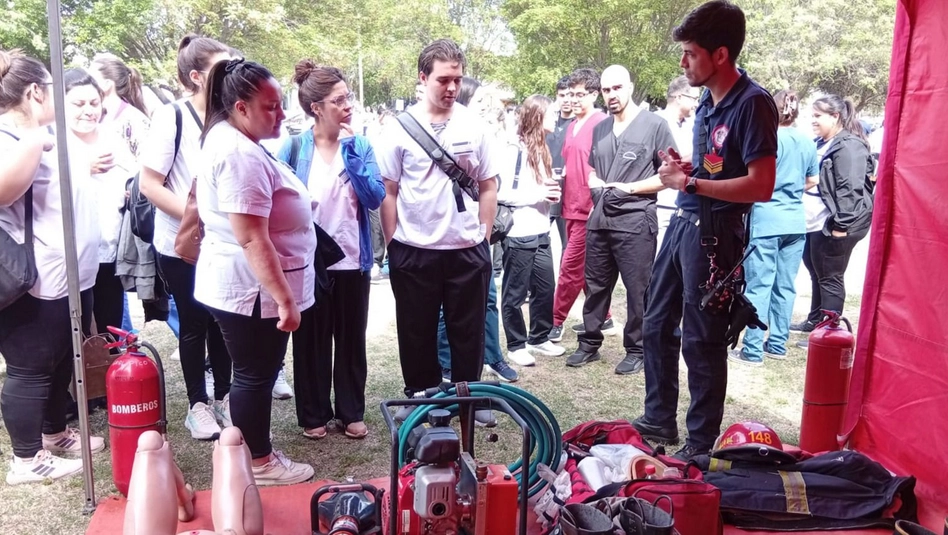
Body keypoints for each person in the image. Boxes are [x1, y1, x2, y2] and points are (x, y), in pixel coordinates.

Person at [632, 0, 779, 461]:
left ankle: (700, 442)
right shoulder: (707, 102)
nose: (683, 63)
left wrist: (691, 181)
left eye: (690, 53)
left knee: (702, 339)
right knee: (655, 325)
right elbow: (720, 167)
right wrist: (688, 171)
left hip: (715, 235)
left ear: (720, 55)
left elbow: (761, 185)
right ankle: (658, 416)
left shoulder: (753, 104)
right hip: (683, 222)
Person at [195, 57, 316, 486]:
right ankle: (259, 462)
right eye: (271, 106)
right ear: (241, 107)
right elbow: (252, 238)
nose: (281, 114)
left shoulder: (235, 140)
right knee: (254, 373)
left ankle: (249, 454)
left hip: (245, 284)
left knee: (251, 372)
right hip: (250, 289)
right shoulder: (237, 154)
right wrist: (285, 299)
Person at [377, 39, 499, 419]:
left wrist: (484, 234)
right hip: (414, 248)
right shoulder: (398, 130)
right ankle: (420, 395)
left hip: (466, 247)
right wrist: (393, 241)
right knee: (416, 329)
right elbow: (388, 190)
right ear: (422, 77)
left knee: (468, 329)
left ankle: (469, 396)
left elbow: (488, 184)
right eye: (443, 79)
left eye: (457, 80)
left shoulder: (475, 125)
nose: (451, 88)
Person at [0, 49, 104, 485]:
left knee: (61, 357)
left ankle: (55, 432)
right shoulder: (12, 137)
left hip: (66, 277)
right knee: (30, 366)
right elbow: (4, 190)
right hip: (32, 280)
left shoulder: (43, 134)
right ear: (35, 92)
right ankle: (26, 459)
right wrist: (33, 143)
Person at [279, 60, 385, 440]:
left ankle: (351, 411)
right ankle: (313, 414)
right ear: (316, 107)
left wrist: (353, 153)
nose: (348, 105)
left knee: (351, 339)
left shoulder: (360, 145)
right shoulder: (292, 148)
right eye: (339, 100)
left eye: (348, 97)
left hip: (353, 260)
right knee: (310, 340)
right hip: (309, 263)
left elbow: (374, 197)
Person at [139, 35, 233, 440]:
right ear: (196, 77)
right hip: (182, 244)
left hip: (225, 241)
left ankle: (227, 397)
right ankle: (198, 404)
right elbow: (150, 185)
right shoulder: (171, 117)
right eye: (220, 69)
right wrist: (199, 217)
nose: (231, 76)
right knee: (194, 322)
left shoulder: (230, 115)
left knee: (224, 320)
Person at [567, 65, 676, 374]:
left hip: (636, 221)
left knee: (638, 289)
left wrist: (630, 188)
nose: (611, 95)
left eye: (617, 88)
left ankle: (637, 349)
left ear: (629, 87)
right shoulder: (600, 128)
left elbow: (670, 175)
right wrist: (593, 184)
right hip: (600, 219)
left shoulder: (655, 125)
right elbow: (592, 167)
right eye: (606, 90)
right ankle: (589, 343)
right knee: (596, 285)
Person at [436, 77, 520, 387]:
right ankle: (446, 367)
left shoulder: (486, 132)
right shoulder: (449, 132)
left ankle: (491, 356)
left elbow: (491, 185)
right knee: (449, 307)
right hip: (450, 235)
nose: (491, 106)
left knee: (487, 298)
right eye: (482, 100)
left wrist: (484, 237)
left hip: (477, 235)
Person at [729, 90, 817, 365]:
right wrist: (790, 189)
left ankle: (753, 349)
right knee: (785, 286)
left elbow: (751, 178)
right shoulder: (806, 141)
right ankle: (777, 344)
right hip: (795, 221)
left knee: (759, 285)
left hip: (767, 219)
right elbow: (813, 180)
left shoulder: (767, 139)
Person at [792, 94, 873, 347]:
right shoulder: (822, 143)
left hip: (837, 224)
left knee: (830, 275)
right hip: (817, 221)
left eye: (818, 116)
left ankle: (828, 331)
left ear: (835, 116)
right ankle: (816, 321)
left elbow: (850, 189)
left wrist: (841, 226)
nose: (812, 120)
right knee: (817, 271)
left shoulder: (849, 146)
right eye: (812, 115)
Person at [63, 68, 139, 337]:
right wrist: (82, 168)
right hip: (68, 257)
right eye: (78, 104)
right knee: (75, 333)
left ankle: (110, 375)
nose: (88, 111)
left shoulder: (111, 137)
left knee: (110, 327)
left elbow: (132, 177)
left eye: (94, 103)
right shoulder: (54, 141)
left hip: (110, 251)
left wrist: (131, 189)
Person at [498, 95, 564, 367]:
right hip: (519, 230)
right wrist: (540, 193)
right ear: (538, 116)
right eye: (552, 114)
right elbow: (501, 192)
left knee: (545, 286)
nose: (556, 118)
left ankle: (539, 337)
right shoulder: (514, 149)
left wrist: (551, 191)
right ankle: (515, 344)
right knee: (515, 292)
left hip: (541, 228)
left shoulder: (542, 148)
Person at [550, 68, 608, 343]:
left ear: (594, 94)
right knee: (585, 267)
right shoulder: (572, 125)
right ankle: (605, 316)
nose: (573, 99)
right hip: (569, 206)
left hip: (590, 209)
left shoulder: (603, 124)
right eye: (571, 94)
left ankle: (556, 320)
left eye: (580, 94)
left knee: (570, 268)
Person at [655, 75, 700, 248]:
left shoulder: (693, 125)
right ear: (679, 97)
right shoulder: (654, 122)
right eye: (694, 98)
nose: (697, 103)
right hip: (659, 205)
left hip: (685, 207)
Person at [545, 76, 573, 251]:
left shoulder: (578, 124)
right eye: (562, 95)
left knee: (568, 246)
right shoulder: (548, 122)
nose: (567, 100)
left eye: (570, 95)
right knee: (538, 240)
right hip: (547, 187)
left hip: (568, 191)